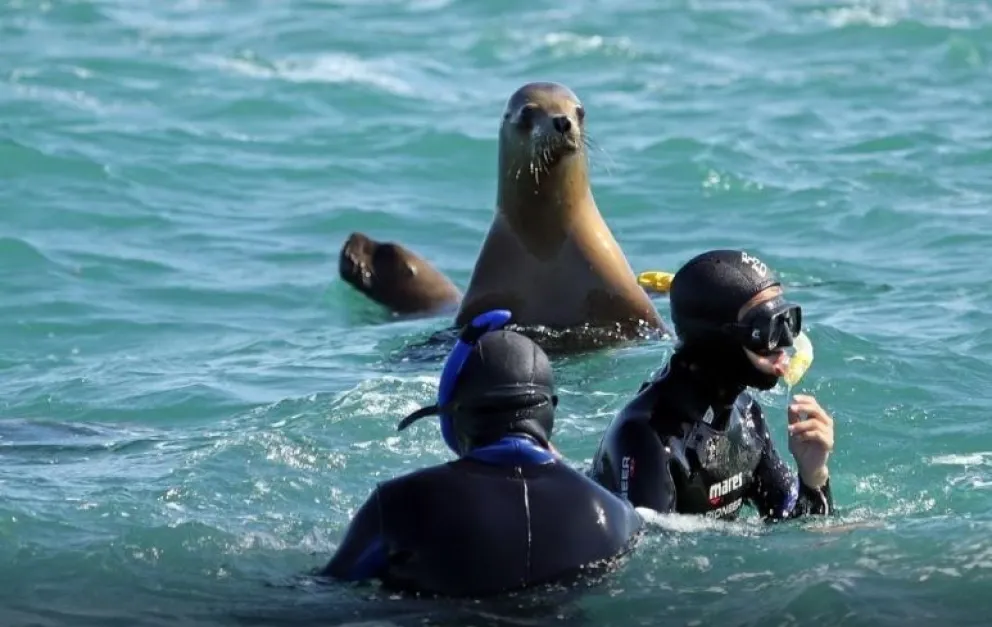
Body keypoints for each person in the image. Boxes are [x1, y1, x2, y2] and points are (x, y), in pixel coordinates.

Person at [319, 309, 644, 597]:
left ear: (452, 417)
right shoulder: (615, 515)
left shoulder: (398, 504)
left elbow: (323, 595)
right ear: (551, 411)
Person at [589, 249, 836, 521]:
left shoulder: (746, 416)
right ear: (717, 337)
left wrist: (813, 475)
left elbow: (795, 526)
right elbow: (649, 558)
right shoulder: (647, 439)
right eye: (766, 327)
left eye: (787, 321)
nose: (785, 342)